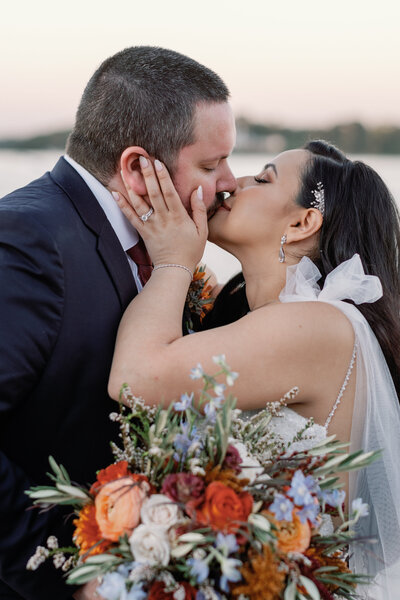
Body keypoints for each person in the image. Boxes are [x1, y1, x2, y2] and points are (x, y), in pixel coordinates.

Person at [109, 140, 400, 599]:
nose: (233, 183)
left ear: (303, 222)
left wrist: (172, 261)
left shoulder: (317, 325)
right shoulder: (259, 317)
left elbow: (134, 379)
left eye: (263, 179)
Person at [0, 46, 236, 600]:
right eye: (209, 165)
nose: (229, 181)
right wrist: (69, 576)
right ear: (136, 167)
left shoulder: (162, 252)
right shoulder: (28, 241)